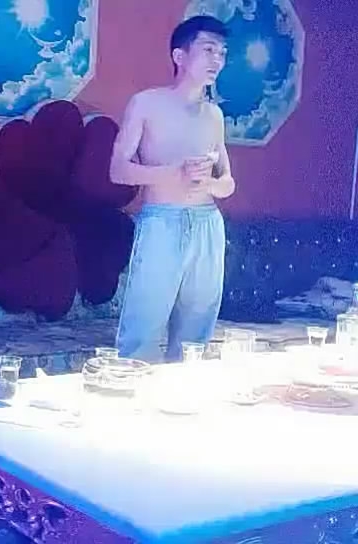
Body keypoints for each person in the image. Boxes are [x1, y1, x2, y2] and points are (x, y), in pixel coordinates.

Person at [110, 15, 236, 363]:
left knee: (196, 336)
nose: (217, 60)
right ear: (180, 56)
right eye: (208, 50)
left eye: (222, 53)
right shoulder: (146, 103)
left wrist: (207, 182)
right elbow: (118, 170)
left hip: (208, 223)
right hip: (162, 222)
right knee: (142, 332)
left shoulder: (214, 115)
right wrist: (173, 173)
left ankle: (183, 393)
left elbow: (228, 183)